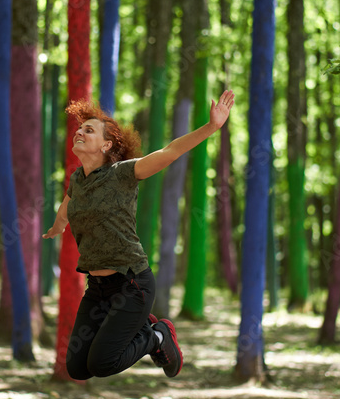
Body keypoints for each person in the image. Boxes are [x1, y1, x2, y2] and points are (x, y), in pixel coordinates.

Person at [43, 90, 236, 380]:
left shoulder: (122, 173)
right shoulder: (77, 180)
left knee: (102, 364)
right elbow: (67, 205)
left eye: (89, 130)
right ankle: (144, 327)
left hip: (132, 283)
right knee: (78, 368)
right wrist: (59, 225)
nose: (79, 132)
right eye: (80, 129)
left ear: (106, 145)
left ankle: (156, 336)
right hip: (97, 289)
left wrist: (211, 127)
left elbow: (169, 151)